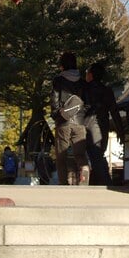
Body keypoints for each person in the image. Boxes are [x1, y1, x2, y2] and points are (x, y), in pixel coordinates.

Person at [82, 62, 125, 185]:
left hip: (89, 125)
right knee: (98, 154)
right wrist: (120, 131)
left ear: (90, 75)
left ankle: (107, 183)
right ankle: (97, 183)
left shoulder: (85, 89)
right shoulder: (107, 90)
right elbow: (115, 112)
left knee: (96, 156)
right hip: (104, 126)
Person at [50, 51, 89, 185]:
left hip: (63, 122)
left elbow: (54, 101)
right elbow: (87, 102)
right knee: (80, 154)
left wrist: (56, 115)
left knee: (61, 156)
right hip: (80, 122)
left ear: (62, 65)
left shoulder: (58, 80)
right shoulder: (83, 82)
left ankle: (63, 183)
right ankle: (84, 169)